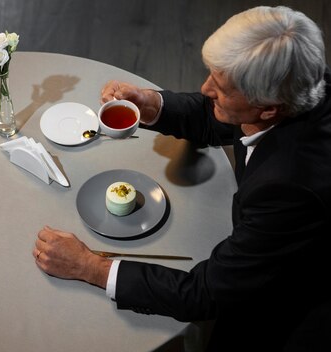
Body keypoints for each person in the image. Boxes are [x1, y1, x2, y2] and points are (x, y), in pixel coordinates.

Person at [33, 6, 330, 352]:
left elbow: (205, 293)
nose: (205, 89)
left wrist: (90, 267)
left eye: (220, 87)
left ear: (268, 108)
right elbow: (220, 116)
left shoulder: (290, 189)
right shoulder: (297, 83)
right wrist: (151, 104)